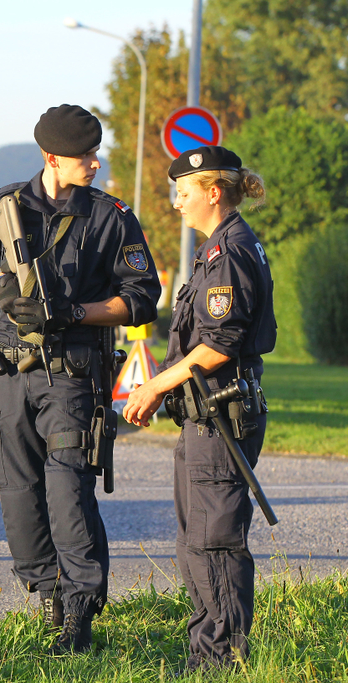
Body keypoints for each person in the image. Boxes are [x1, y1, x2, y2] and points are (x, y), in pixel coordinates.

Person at [0, 104, 161, 654]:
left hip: (72, 375)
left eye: (95, 153)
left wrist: (72, 312)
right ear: (52, 159)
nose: (94, 163)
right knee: (18, 493)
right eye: (83, 157)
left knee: (68, 490)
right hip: (9, 375)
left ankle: (80, 609)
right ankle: (47, 593)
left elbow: (142, 298)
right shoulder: (5, 205)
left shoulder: (112, 216)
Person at [123, 146, 273, 675]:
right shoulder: (218, 249)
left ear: (213, 192)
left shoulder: (229, 252)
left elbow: (219, 344)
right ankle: (207, 651)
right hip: (206, 414)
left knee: (214, 542)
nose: (175, 203)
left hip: (221, 415)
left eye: (183, 192)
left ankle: (222, 660)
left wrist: (154, 387)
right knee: (196, 542)